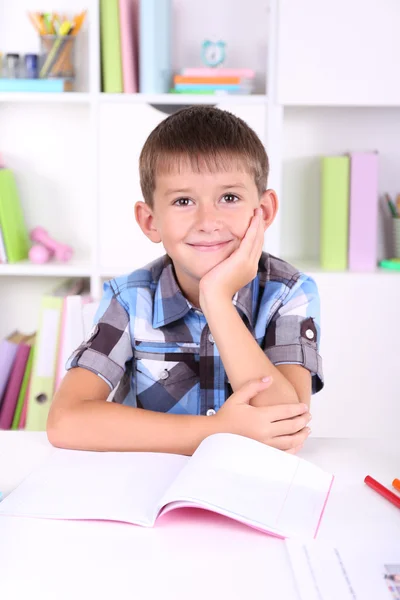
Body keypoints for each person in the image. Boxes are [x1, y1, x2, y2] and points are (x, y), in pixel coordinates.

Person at [47, 105, 323, 455]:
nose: (208, 221)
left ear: (263, 212)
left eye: (229, 197)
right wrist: (214, 431)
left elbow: (286, 427)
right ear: (150, 221)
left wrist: (217, 300)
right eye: (183, 200)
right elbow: (65, 421)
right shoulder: (130, 299)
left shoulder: (288, 293)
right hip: (148, 488)